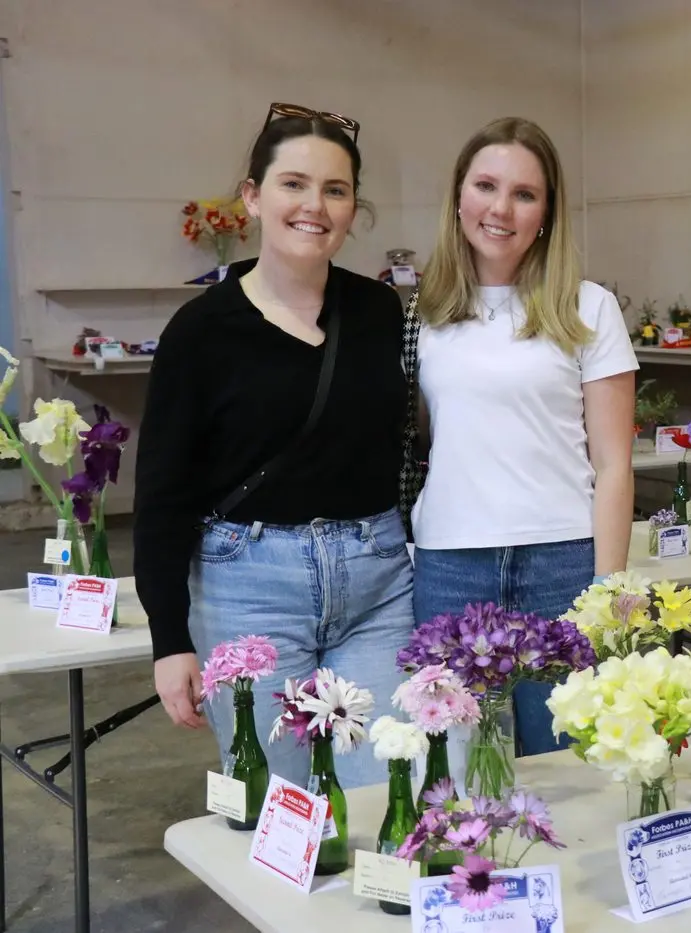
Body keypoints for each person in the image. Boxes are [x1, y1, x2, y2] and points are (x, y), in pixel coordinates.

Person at [134, 103, 414, 790]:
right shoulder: (200, 330)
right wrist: (169, 638)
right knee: (279, 805)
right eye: (293, 184)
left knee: (390, 786)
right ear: (254, 197)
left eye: (335, 190)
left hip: (376, 581)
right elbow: (162, 492)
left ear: (353, 209)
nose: (313, 206)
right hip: (249, 586)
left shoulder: (378, 312)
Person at [406, 117, 637, 759]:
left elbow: (615, 465)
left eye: (525, 194)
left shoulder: (589, 309)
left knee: (567, 761)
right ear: (458, 197)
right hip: (450, 563)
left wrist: (608, 592)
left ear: (547, 213)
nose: (501, 208)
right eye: (486, 185)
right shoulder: (421, 315)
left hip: (561, 566)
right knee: (451, 767)